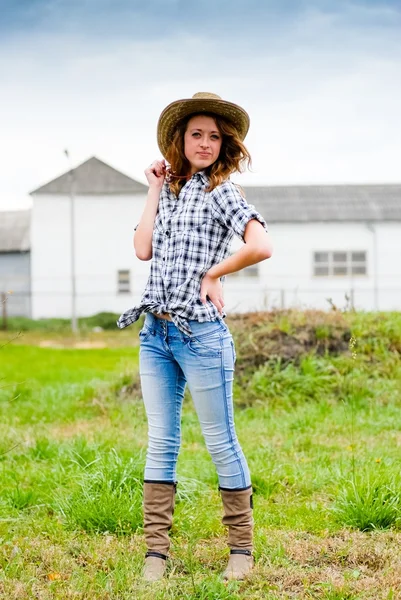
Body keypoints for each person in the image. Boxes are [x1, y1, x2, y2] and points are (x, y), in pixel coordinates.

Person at [117, 92, 273, 582]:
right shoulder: (169, 191)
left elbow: (261, 245)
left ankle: (241, 552)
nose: (205, 143)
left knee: (220, 441)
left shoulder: (221, 192)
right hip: (155, 333)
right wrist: (152, 188)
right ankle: (155, 557)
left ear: (223, 145)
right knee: (161, 441)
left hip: (203, 337)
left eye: (213, 136)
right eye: (196, 134)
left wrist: (216, 273)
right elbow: (142, 249)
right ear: (179, 141)